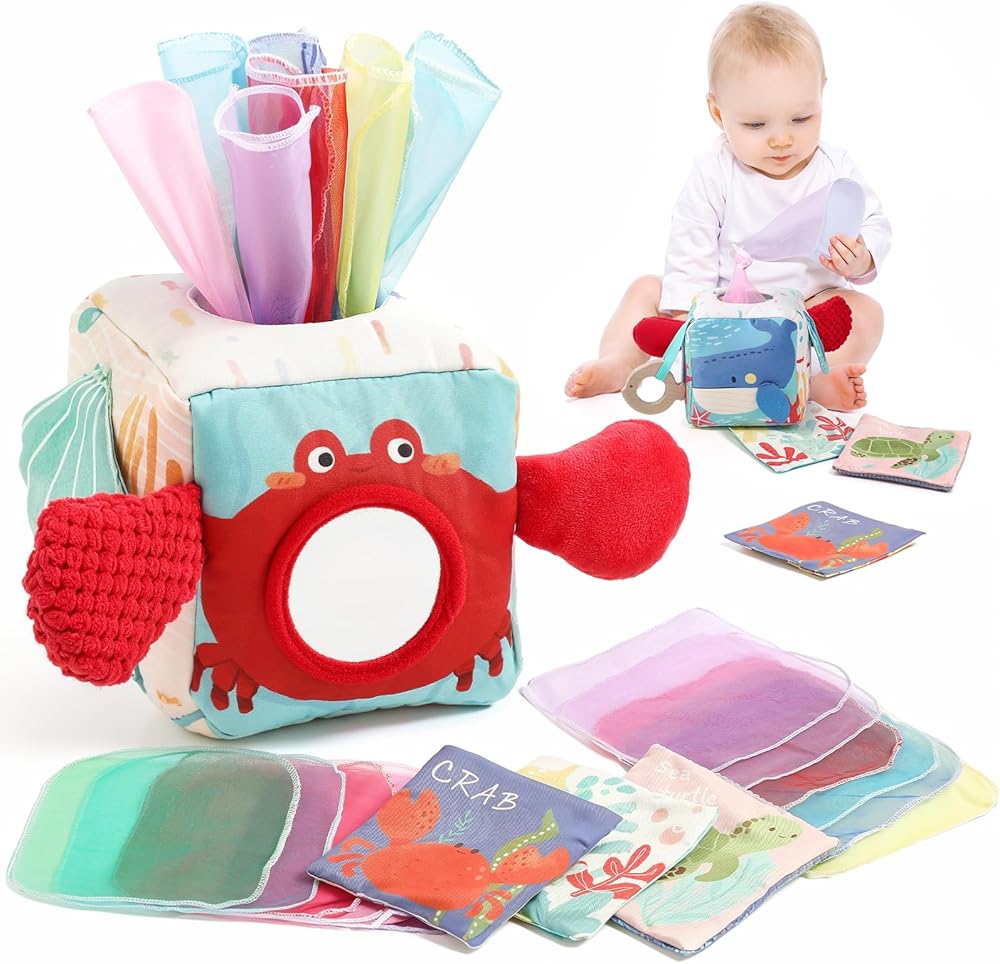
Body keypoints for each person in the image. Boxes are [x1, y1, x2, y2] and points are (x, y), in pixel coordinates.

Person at [566, 3, 890, 412]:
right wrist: (689, 314)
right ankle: (620, 361)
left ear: (821, 94)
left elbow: (873, 221)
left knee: (866, 313)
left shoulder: (834, 168)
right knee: (646, 289)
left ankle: (810, 377)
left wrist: (861, 257)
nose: (781, 139)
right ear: (718, 112)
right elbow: (690, 244)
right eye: (756, 125)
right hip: (720, 311)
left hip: (802, 316)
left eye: (801, 118)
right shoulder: (714, 171)